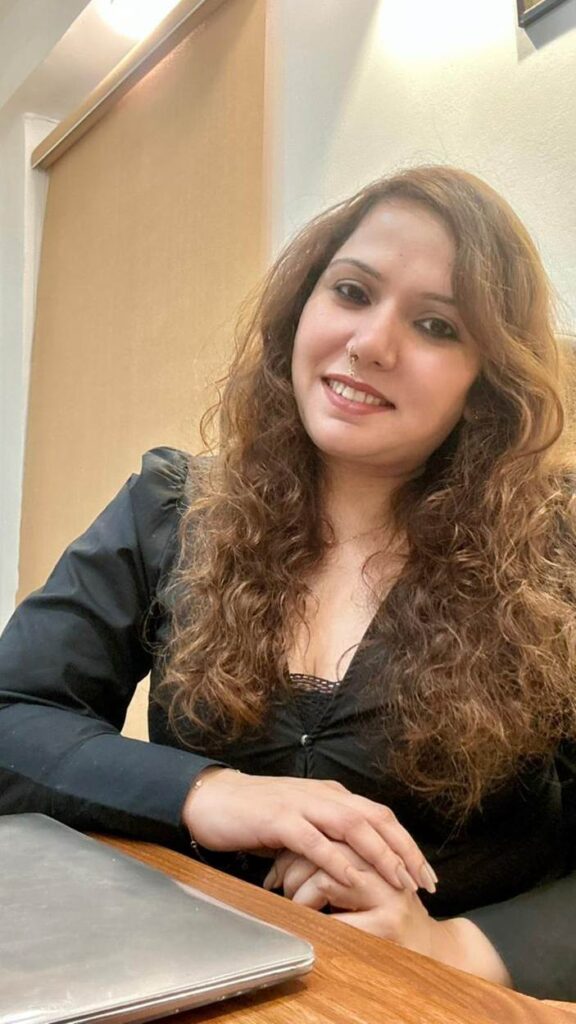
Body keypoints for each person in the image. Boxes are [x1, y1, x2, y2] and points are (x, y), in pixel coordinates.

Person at [1, 165, 576, 999]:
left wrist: (457, 947)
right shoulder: (171, 506)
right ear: (301, 308)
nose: (371, 343)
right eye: (351, 291)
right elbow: (13, 717)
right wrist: (208, 793)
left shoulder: (557, 556)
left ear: (486, 381)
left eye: (435, 325)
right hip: (187, 993)